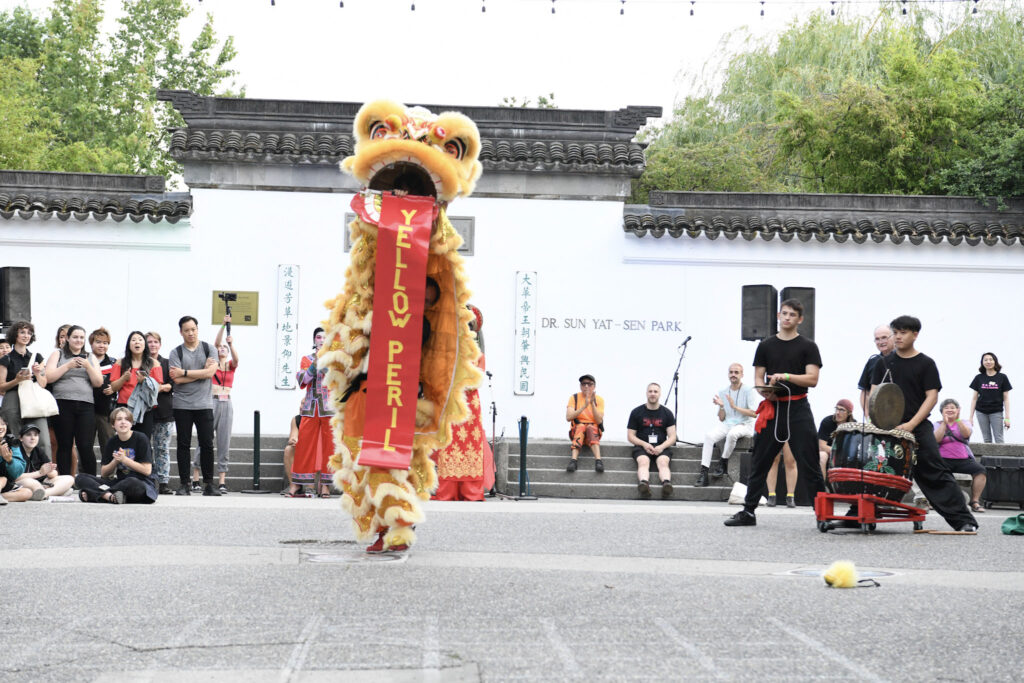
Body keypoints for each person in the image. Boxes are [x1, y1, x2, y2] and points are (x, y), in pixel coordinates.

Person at [870, 315, 977, 532]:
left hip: (917, 426)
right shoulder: (883, 363)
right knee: (875, 469)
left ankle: (963, 520)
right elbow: (874, 395)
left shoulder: (926, 364)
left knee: (936, 472)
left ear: (915, 334)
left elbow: (932, 397)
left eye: (903, 332)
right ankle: (860, 514)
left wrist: (910, 424)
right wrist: (878, 422)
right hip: (888, 427)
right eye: (895, 332)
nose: (898, 337)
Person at [725, 299, 826, 527]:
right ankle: (748, 512)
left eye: (792, 315)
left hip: (798, 407)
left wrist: (786, 376)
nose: (787, 317)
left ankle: (822, 514)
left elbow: (813, 379)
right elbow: (759, 378)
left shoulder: (808, 346)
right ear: (779, 315)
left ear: (800, 319)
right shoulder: (766, 345)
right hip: (773, 408)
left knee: (809, 462)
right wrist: (764, 392)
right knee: (760, 460)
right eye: (784, 313)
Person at [168, 315, 220, 497]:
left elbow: (211, 373)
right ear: (181, 332)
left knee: (207, 443)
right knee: (183, 444)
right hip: (182, 404)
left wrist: (186, 372)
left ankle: (209, 484)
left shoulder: (209, 349)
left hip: (204, 404)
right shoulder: (176, 353)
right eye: (186, 330)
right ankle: (184, 484)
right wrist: (201, 372)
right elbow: (176, 378)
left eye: (193, 329)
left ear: (198, 329)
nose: (190, 333)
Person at [190, 315, 238, 494]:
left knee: (224, 441)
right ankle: (196, 477)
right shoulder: (212, 363)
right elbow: (216, 343)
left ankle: (222, 481)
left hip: (227, 403)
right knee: (205, 439)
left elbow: (237, 359)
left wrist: (231, 344)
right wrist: (223, 325)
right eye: (221, 348)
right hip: (211, 402)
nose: (223, 349)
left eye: (226, 348)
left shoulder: (231, 365)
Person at [75, 407, 157, 504]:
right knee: (80, 478)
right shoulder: (112, 442)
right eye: (119, 419)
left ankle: (96, 493)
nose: (123, 422)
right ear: (113, 425)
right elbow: (104, 473)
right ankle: (110, 496)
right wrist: (115, 461)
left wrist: (125, 460)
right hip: (119, 483)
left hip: (141, 483)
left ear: (131, 423)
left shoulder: (141, 438)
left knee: (132, 482)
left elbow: (147, 471)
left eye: (126, 419)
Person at [290, 327, 334, 497]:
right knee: (304, 446)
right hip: (309, 407)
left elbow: (336, 378)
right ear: (314, 340)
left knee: (329, 448)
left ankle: (325, 486)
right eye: (318, 337)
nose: (321, 340)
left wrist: (324, 361)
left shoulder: (334, 360)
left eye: (324, 337)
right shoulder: (306, 359)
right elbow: (303, 379)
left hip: (329, 408)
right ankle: (299, 484)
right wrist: (317, 362)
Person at [699, 363, 756, 485]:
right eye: (731, 372)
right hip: (727, 424)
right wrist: (721, 406)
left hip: (745, 424)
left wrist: (734, 406)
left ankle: (723, 462)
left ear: (742, 375)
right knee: (709, 436)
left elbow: (754, 413)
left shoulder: (748, 390)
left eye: (736, 372)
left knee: (732, 435)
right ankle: (704, 473)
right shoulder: (723, 391)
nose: (733, 375)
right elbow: (722, 418)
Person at [0, 321, 52, 456]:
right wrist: (17, 380)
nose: (26, 335)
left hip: (33, 398)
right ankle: (19, 470)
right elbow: (1, 387)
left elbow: (43, 383)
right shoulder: (6, 358)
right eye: (22, 332)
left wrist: (36, 373)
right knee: (17, 438)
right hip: (13, 398)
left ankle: (45, 470)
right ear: (15, 335)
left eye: (29, 333)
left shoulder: (37, 356)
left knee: (43, 440)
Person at [935, 398, 987, 514]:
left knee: (980, 470)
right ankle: (935, 500)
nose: (949, 410)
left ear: (958, 410)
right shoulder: (936, 424)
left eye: (952, 408)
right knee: (933, 470)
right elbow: (936, 440)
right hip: (943, 459)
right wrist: (944, 423)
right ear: (941, 411)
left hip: (963, 460)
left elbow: (966, 434)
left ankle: (974, 501)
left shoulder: (964, 422)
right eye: (946, 408)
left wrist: (957, 419)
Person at [109, 331, 163, 440]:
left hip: (145, 408)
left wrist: (145, 382)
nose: (136, 342)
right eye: (133, 340)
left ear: (144, 344)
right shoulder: (120, 363)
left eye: (140, 340)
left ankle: (142, 458)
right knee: (124, 439)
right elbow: (114, 387)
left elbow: (158, 387)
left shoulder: (154, 363)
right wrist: (124, 378)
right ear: (129, 344)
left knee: (143, 440)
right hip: (124, 407)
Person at [626, 382, 677, 499]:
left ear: (660, 394)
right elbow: (630, 436)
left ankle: (666, 484)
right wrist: (644, 444)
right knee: (643, 462)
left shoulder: (667, 413)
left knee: (663, 462)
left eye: (655, 391)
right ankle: (644, 484)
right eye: (650, 391)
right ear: (646, 393)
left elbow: (673, 436)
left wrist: (662, 447)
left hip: (661, 446)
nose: (653, 394)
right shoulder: (636, 412)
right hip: (642, 446)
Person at [146, 332, 175, 495]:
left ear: (160, 344)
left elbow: (171, 385)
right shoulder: (141, 363)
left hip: (164, 412)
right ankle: (148, 479)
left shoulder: (167, 363)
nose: (152, 345)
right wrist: (160, 387)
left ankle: (163, 482)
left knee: (162, 448)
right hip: (144, 412)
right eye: (149, 342)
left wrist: (156, 387)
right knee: (146, 448)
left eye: (155, 342)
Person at [14, 423, 75, 499]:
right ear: (21, 438)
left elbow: (53, 474)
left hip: (41, 482)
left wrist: (50, 471)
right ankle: (56, 492)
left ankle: (43, 493)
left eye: (35, 435)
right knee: (30, 482)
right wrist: (40, 473)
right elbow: (15, 477)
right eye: (29, 435)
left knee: (69, 478)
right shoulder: (15, 450)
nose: (33, 438)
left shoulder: (38, 450)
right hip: (22, 483)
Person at [968, 352, 1012, 444]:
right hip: (981, 412)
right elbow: (974, 399)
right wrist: (970, 418)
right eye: (985, 360)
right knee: (987, 440)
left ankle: (1000, 459)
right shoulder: (979, 378)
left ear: (995, 361)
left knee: (999, 439)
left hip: (996, 411)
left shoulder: (1002, 377)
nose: (988, 362)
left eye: (990, 359)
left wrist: (1007, 418)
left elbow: (1006, 399)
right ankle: (988, 459)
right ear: (982, 363)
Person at [566, 373, 605, 472]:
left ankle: (598, 461)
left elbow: (599, 420)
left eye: (589, 384)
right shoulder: (574, 398)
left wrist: (591, 404)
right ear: (580, 386)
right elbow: (568, 417)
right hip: (577, 432)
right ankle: (573, 460)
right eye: (583, 384)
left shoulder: (599, 400)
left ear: (594, 386)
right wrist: (584, 406)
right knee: (581, 426)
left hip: (593, 433)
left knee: (590, 427)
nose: (586, 386)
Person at [89, 327, 118, 452]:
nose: (102, 345)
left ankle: (109, 472)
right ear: (91, 343)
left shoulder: (114, 363)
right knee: (85, 446)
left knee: (108, 446)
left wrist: (114, 388)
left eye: (105, 343)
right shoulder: (85, 360)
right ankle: (85, 472)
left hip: (106, 411)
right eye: (98, 342)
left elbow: (121, 381)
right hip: (87, 409)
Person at [858, 325, 894, 420]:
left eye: (884, 338)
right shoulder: (872, 361)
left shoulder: (903, 359)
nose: (881, 342)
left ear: (894, 337)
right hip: (877, 419)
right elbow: (865, 393)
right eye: (877, 339)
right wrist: (868, 417)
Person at [817, 398, 856, 481]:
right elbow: (822, 446)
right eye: (837, 409)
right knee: (822, 456)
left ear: (849, 413)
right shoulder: (827, 421)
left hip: (845, 457)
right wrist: (839, 452)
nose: (838, 413)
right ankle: (821, 488)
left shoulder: (854, 425)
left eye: (842, 410)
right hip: (828, 454)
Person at [0, 416, 37, 503]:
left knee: (27, 493)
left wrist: (10, 461)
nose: (1, 427)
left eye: (3, 424)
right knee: (2, 479)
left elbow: (18, 472)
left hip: (5, 483)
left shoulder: (11, 442)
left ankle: (2, 497)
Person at [764, 442, 799, 508]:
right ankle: (771, 495)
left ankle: (790, 496)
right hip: (773, 432)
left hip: (791, 432)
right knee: (772, 460)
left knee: (791, 461)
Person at [281, 412, 305, 496]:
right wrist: (294, 440)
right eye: (301, 404)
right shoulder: (297, 419)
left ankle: (322, 486)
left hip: (317, 449)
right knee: (289, 449)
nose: (301, 406)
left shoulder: (321, 418)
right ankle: (294, 485)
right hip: (303, 449)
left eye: (304, 404)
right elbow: (293, 436)